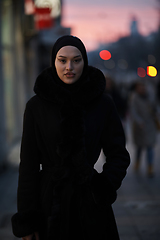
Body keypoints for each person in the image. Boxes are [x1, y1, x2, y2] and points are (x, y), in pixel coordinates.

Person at [11, 35, 130, 240]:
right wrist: (27, 220)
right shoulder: (36, 107)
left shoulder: (102, 104)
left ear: (84, 61)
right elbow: (28, 166)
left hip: (92, 206)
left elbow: (118, 153)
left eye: (76, 60)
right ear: (53, 62)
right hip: (49, 205)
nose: (69, 67)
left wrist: (103, 187)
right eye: (62, 60)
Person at [130, 81, 157, 177]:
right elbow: (133, 111)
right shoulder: (134, 98)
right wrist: (139, 121)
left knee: (150, 146)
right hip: (139, 127)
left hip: (150, 125)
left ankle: (150, 167)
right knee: (139, 147)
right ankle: (137, 163)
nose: (142, 89)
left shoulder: (150, 96)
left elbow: (155, 108)